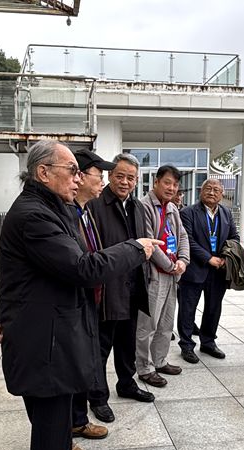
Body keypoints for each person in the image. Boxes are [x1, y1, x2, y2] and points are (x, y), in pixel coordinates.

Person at [0, 140, 159, 450]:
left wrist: (3, 315)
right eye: (71, 170)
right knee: (50, 423)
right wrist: (134, 248)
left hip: (52, 330)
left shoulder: (52, 208)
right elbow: (82, 268)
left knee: (58, 418)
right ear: (43, 173)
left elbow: (16, 276)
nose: (79, 177)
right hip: (44, 338)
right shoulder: (34, 216)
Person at [86, 153, 156, 422]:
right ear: (109, 176)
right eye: (120, 176)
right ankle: (97, 397)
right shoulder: (95, 205)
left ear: (137, 181)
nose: (125, 182)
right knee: (101, 346)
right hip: (108, 288)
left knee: (127, 343)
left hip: (133, 286)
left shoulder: (137, 206)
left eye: (131, 178)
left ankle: (126, 383)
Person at [68, 149, 116, 450]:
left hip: (90, 301)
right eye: (100, 175)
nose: (103, 182)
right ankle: (64, 436)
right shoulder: (65, 213)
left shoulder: (85, 211)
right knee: (71, 369)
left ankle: (77, 420)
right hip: (71, 305)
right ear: (81, 176)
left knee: (84, 364)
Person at [136, 164, 190, 387]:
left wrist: (183, 260)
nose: (171, 188)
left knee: (166, 323)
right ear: (156, 182)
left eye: (175, 185)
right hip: (154, 274)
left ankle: (159, 361)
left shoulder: (172, 208)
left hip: (172, 273)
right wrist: (170, 265)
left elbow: (183, 236)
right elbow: (149, 242)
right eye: (167, 183)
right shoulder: (144, 206)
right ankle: (144, 367)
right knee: (148, 325)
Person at [177, 178, 240, 363]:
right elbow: (187, 239)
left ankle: (208, 342)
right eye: (208, 189)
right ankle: (186, 345)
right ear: (201, 191)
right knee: (187, 309)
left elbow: (234, 237)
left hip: (219, 270)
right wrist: (208, 258)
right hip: (195, 269)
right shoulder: (188, 213)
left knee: (213, 308)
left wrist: (226, 257)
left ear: (222, 194)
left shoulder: (226, 213)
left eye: (216, 190)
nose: (212, 193)